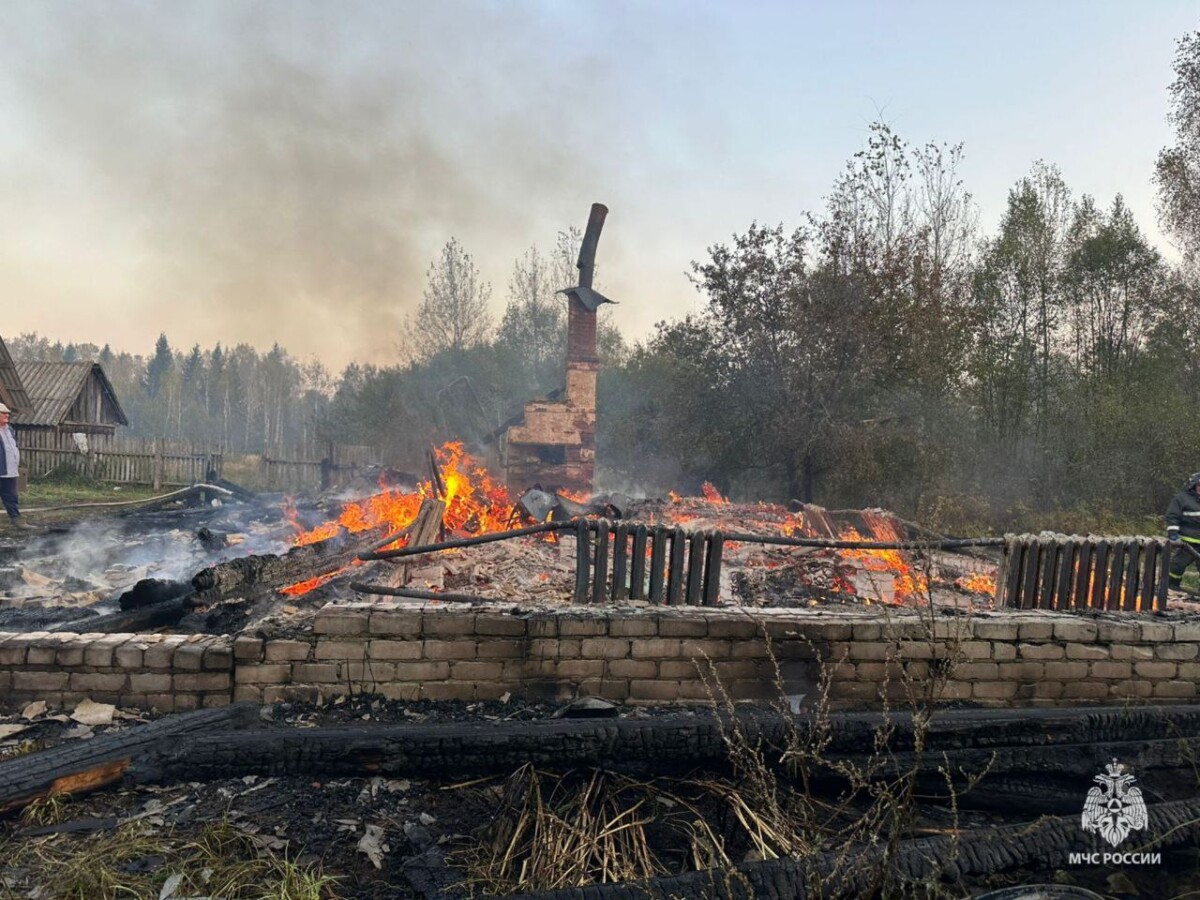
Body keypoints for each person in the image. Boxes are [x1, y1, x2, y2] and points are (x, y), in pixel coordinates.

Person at [1166, 472, 1200, 595]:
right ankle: (1172, 587)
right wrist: (1173, 534)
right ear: (1193, 486)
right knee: (1177, 565)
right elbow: (1172, 517)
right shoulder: (1181, 499)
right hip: (1187, 542)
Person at [0, 402, 29, 529]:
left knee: (12, 496)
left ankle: (16, 520)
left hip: (10, 470)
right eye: (3, 413)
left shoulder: (9, 429)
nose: (7, 415)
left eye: (7, 413)